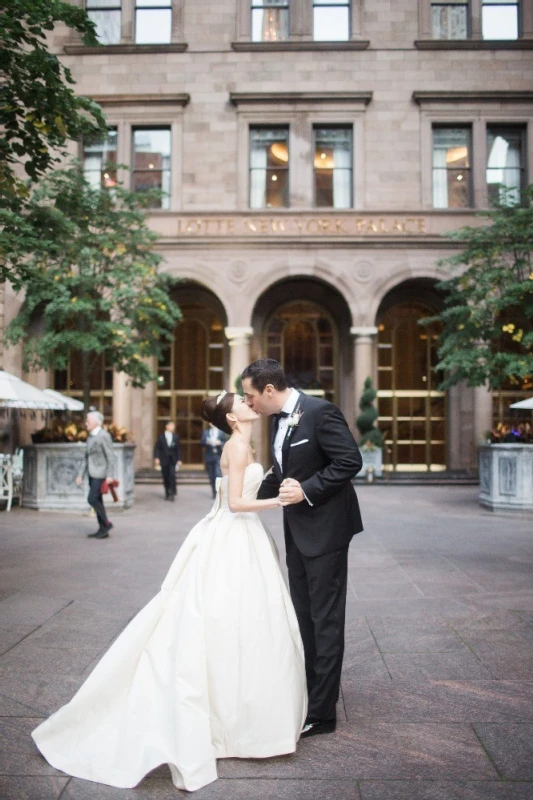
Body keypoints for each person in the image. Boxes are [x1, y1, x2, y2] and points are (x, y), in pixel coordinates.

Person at [32, 391, 307, 793]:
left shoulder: (244, 442)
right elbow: (233, 504)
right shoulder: (234, 446)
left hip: (241, 539)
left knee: (247, 622)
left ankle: (244, 718)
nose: (249, 405)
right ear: (232, 418)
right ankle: (232, 722)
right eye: (241, 403)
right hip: (232, 536)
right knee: (229, 619)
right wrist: (275, 502)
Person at [241, 358, 363, 739]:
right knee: (303, 617)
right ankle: (309, 695)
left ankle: (323, 714)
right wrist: (243, 495)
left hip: (326, 533)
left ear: (270, 391)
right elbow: (282, 472)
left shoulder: (320, 413)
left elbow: (349, 461)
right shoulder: (279, 420)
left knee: (325, 621)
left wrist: (307, 489)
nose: (249, 404)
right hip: (296, 531)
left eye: (250, 396)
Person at [76, 411, 115, 539]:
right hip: (92, 474)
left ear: (95, 422)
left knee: (91, 499)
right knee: (98, 500)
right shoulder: (90, 437)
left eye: (88, 420)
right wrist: (80, 475)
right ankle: (103, 530)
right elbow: (85, 457)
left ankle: (107, 524)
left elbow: (110, 457)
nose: (86, 423)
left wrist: (110, 475)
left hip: (101, 474)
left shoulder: (104, 436)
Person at [153, 421, 182, 501]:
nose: (173, 427)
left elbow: (178, 449)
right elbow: (157, 448)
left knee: (172, 475)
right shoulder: (161, 437)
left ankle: (172, 493)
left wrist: (179, 459)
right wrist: (156, 458)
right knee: (165, 476)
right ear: (167, 426)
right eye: (171, 425)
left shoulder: (176, 437)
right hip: (164, 459)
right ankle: (167, 492)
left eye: (173, 425)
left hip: (173, 459)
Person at [201, 422, 227, 498]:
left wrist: (220, 443)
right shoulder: (206, 432)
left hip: (218, 455)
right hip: (209, 455)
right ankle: (214, 491)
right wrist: (207, 442)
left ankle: (218, 491)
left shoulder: (221, 432)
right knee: (211, 475)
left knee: (217, 474)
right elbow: (202, 443)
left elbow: (225, 443)